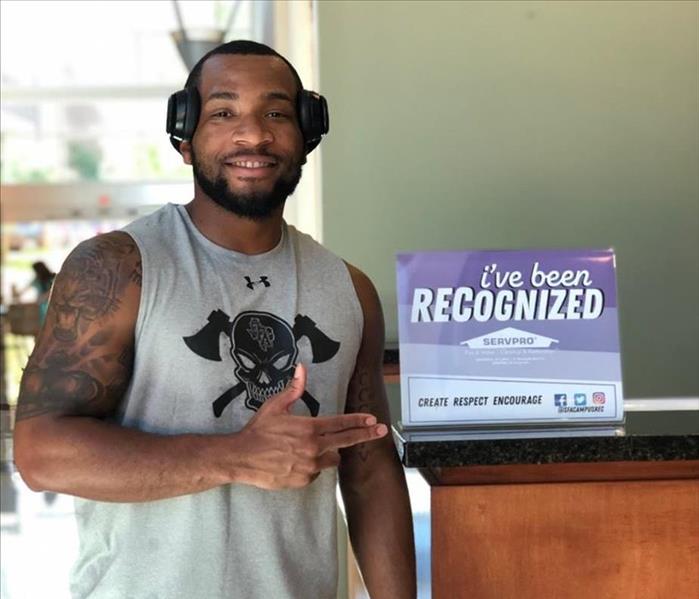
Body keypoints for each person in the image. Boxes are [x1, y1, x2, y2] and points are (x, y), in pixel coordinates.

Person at [13, 40, 416, 599]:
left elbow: (370, 468)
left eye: (276, 113)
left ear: (307, 134)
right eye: (224, 113)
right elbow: (40, 454)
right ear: (184, 138)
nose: (253, 135)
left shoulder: (349, 290)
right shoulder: (119, 267)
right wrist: (235, 457)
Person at [12, 261, 56, 327]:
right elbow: (22, 292)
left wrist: (43, 297)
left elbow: (53, 291)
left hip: (51, 306)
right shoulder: (36, 280)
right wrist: (15, 291)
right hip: (42, 308)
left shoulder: (53, 278)